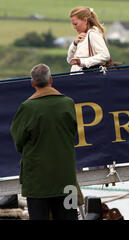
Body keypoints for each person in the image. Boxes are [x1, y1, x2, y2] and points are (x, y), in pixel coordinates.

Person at [10, 64, 78, 220]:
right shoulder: (68, 103)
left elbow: (18, 141)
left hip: (37, 182)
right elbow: (72, 135)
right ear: (51, 80)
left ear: (32, 83)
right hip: (65, 180)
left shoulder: (27, 108)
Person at [67, 6, 111, 72]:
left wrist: (82, 61)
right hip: (79, 78)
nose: (74, 27)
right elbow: (70, 60)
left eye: (75, 24)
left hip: (87, 78)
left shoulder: (93, 33)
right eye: (73, 24)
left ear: (85, 20)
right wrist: (74, 44)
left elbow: (105, 55)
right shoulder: (83, 36)